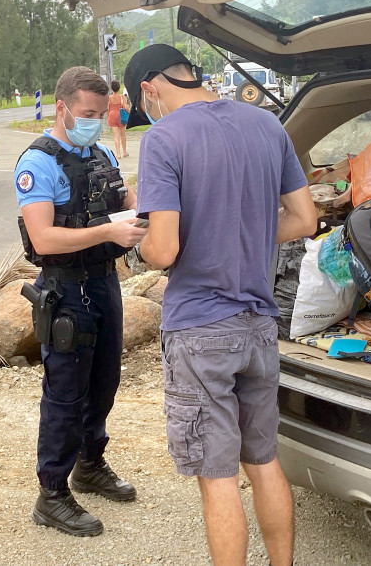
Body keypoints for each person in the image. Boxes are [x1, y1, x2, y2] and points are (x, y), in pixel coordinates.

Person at [124, 44, 317, 566]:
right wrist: (244, 231)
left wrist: (135, 242)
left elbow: (163, 249)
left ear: (150, 87)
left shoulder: (164, 138)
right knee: (264, 461)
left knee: (217, 477)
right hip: (259, 328)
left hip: (200, 330)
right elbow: (304, 220)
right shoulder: (266, 125)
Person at [15, 66, 147, 537]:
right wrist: (109, 231)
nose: (94, 120)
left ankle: (90, 464)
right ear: (62, 108)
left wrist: (144, 212)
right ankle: (51, 493)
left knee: (105, 380)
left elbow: (129, 200)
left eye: (101, 113)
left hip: (104, 280)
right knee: (65, 393)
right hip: (66, 289)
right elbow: (43, 237)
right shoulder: (38, 163)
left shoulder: (102, 151)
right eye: (87, 113)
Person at [107, 80, 129, 158]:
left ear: (112, 88)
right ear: (119, 88)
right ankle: (124, 152)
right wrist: (129, 112)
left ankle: (118, 154)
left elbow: (108, 108)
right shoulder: (121, 97)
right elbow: (125, 107)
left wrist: (108, 116)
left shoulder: (109, 97)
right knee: (122, 134)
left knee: (116, 135)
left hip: (112, 115)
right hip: (120, 115)